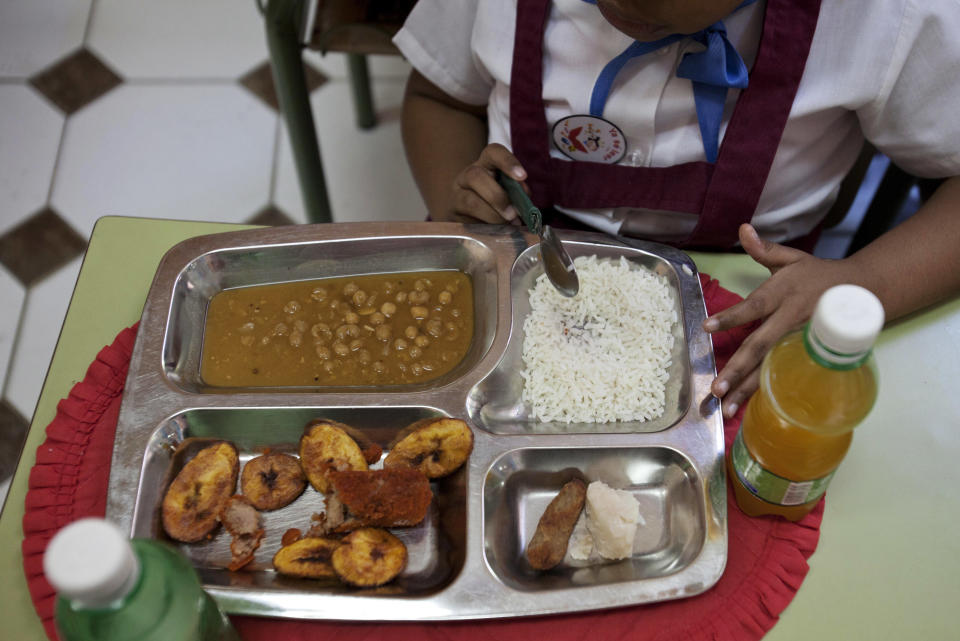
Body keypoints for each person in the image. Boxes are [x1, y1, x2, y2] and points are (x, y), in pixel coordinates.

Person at [393, 0, 960, 418]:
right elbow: (437, 95)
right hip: (508, 255)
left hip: (748, 311)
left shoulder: (891, 17)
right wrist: (454, 190)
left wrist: (861, 282)